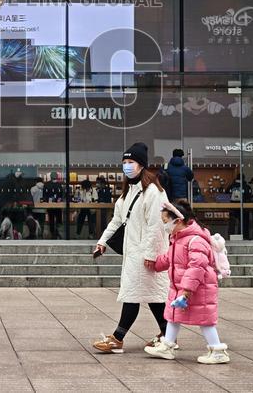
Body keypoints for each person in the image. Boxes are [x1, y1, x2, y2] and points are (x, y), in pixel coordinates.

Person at [92, 143, 170, 354]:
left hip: (146, 252)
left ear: (142, 165)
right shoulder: (127, 192)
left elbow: (156, 226)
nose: (126, 166)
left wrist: (151, 254)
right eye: (124, 162)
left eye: (131, 162)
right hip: (134, 252)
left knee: (133, 294)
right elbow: (117, 221)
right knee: (151, 295)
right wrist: (102, 241)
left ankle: (118, 338)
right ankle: (167, 334)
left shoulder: (153, 191)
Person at [144, 200, 230, 365]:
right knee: (173, 316)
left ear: (178, 220)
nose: (165, 226)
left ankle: (218, 350)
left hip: (197, 288)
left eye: (165, 222)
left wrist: (186, 291)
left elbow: (196, 267)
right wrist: (155, 264)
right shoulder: (179, 238)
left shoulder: (195, 240)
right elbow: (170, 258)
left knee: (205, 320)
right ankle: (167, 345)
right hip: (182, 288)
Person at [43, 172, 66, 238]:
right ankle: (57, 233)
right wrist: (59, 199)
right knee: (57, 219)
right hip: (57, 205)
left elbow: (44, 195)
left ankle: (53, 233)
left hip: (51, 205)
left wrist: (47, 200)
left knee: (52, 219)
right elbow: (61, 195)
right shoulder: (59, 185)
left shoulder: (47, 184)